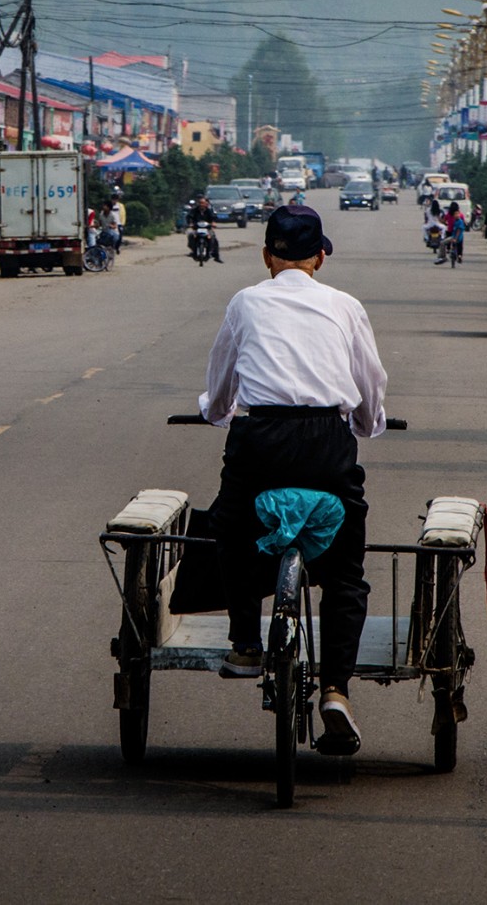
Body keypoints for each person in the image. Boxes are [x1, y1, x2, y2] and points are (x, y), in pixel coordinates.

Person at [199, 204, 388, 756]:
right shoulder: (345, 306)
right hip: (329, 445)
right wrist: (365, 423)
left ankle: (245, 643)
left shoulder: (246, 301)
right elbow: (369, 387)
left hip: (260, 441)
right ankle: (336, 689)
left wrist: (215, 411)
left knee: (229, 525)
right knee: (347, 569)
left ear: (266, 257)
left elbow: (222, 381)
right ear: (320, 257)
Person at [187, 194, 223, 263]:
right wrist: (190, 223)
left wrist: (213, 223)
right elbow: (189, 217)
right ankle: (193, 251)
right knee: (191, 235)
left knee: (213, 238)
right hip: (197, 228)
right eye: (200, 203)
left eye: (203, 203)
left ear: (206, 204)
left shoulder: (209, 211)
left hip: (207, 229)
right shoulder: (194, 210)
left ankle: (216, 256)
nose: (201, 205)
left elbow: (213, 217)